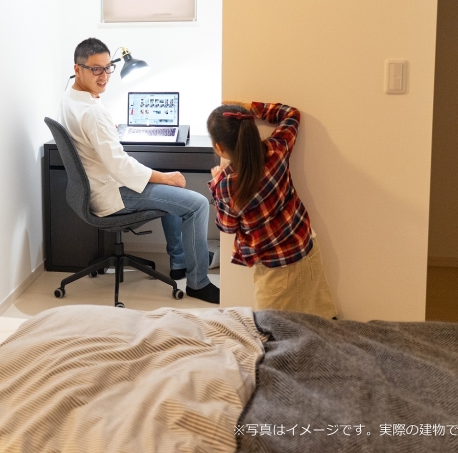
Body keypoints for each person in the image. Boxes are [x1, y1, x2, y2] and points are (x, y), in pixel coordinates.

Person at [59, 38, 219, 303]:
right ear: (78, 69)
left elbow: (105, 152)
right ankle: (198, 283)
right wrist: (163, 176)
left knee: (171, 190)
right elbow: (120, 166)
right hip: (111, 194)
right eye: (96, 69)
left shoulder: (70, 98)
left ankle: (180, 262)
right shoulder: (93, 113)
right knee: (198, 204)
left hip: (94, 187)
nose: (104, 76)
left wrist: (159, 177)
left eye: (108, 67)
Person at [206, 101, 337, 318]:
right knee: (320, 320)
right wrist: (251, 107)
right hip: (306, 248)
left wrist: (216, 182)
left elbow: (227, 226)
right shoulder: (276, 150)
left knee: (273, 329)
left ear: (219, 148)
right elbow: (291, 115)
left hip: (274, 270)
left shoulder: (227, 185)